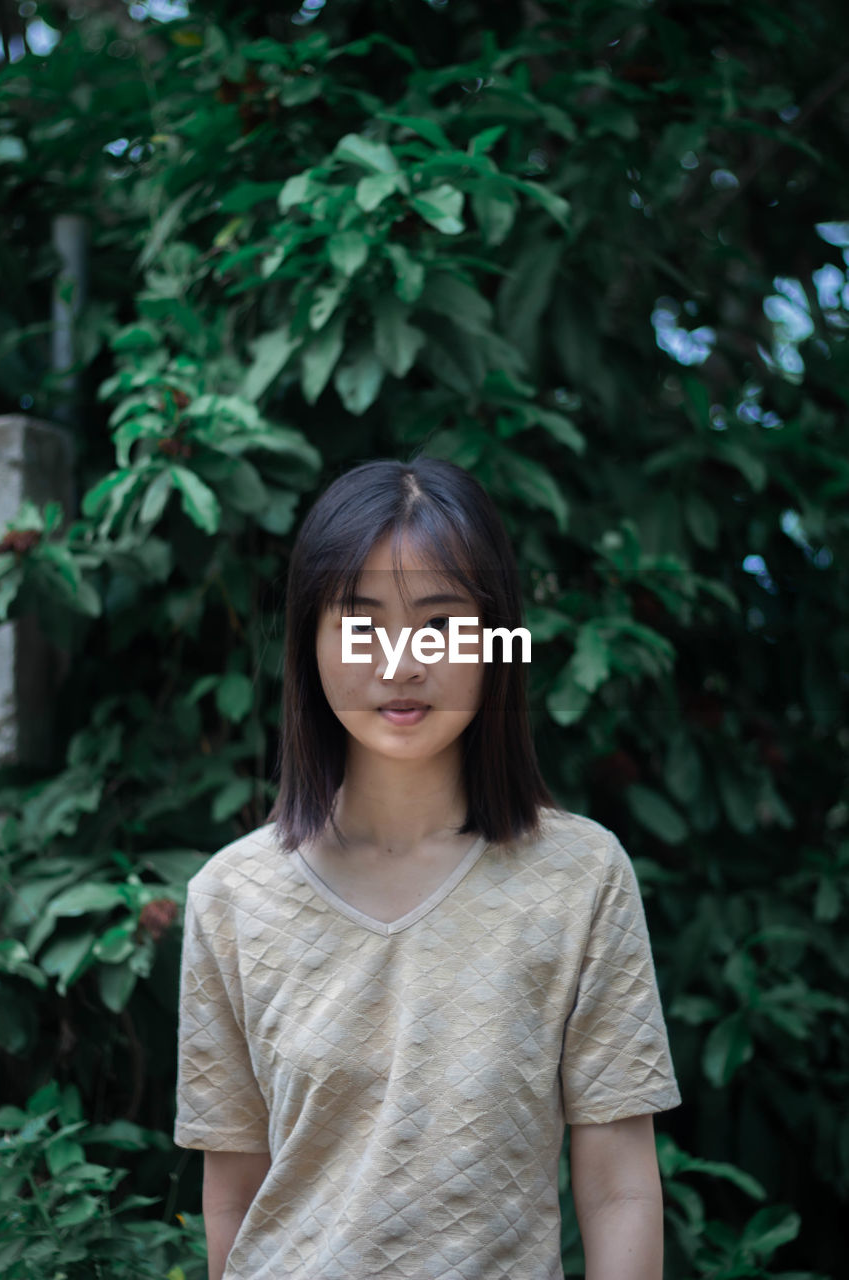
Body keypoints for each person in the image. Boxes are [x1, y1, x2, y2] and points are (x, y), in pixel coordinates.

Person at [174, 455, 682, 1280]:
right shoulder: (230, 897)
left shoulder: (579, 875)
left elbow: (620, 1188)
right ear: (309, 644)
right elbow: (234, 1193)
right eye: (362, 624)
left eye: (441, 623)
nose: (401, 665)